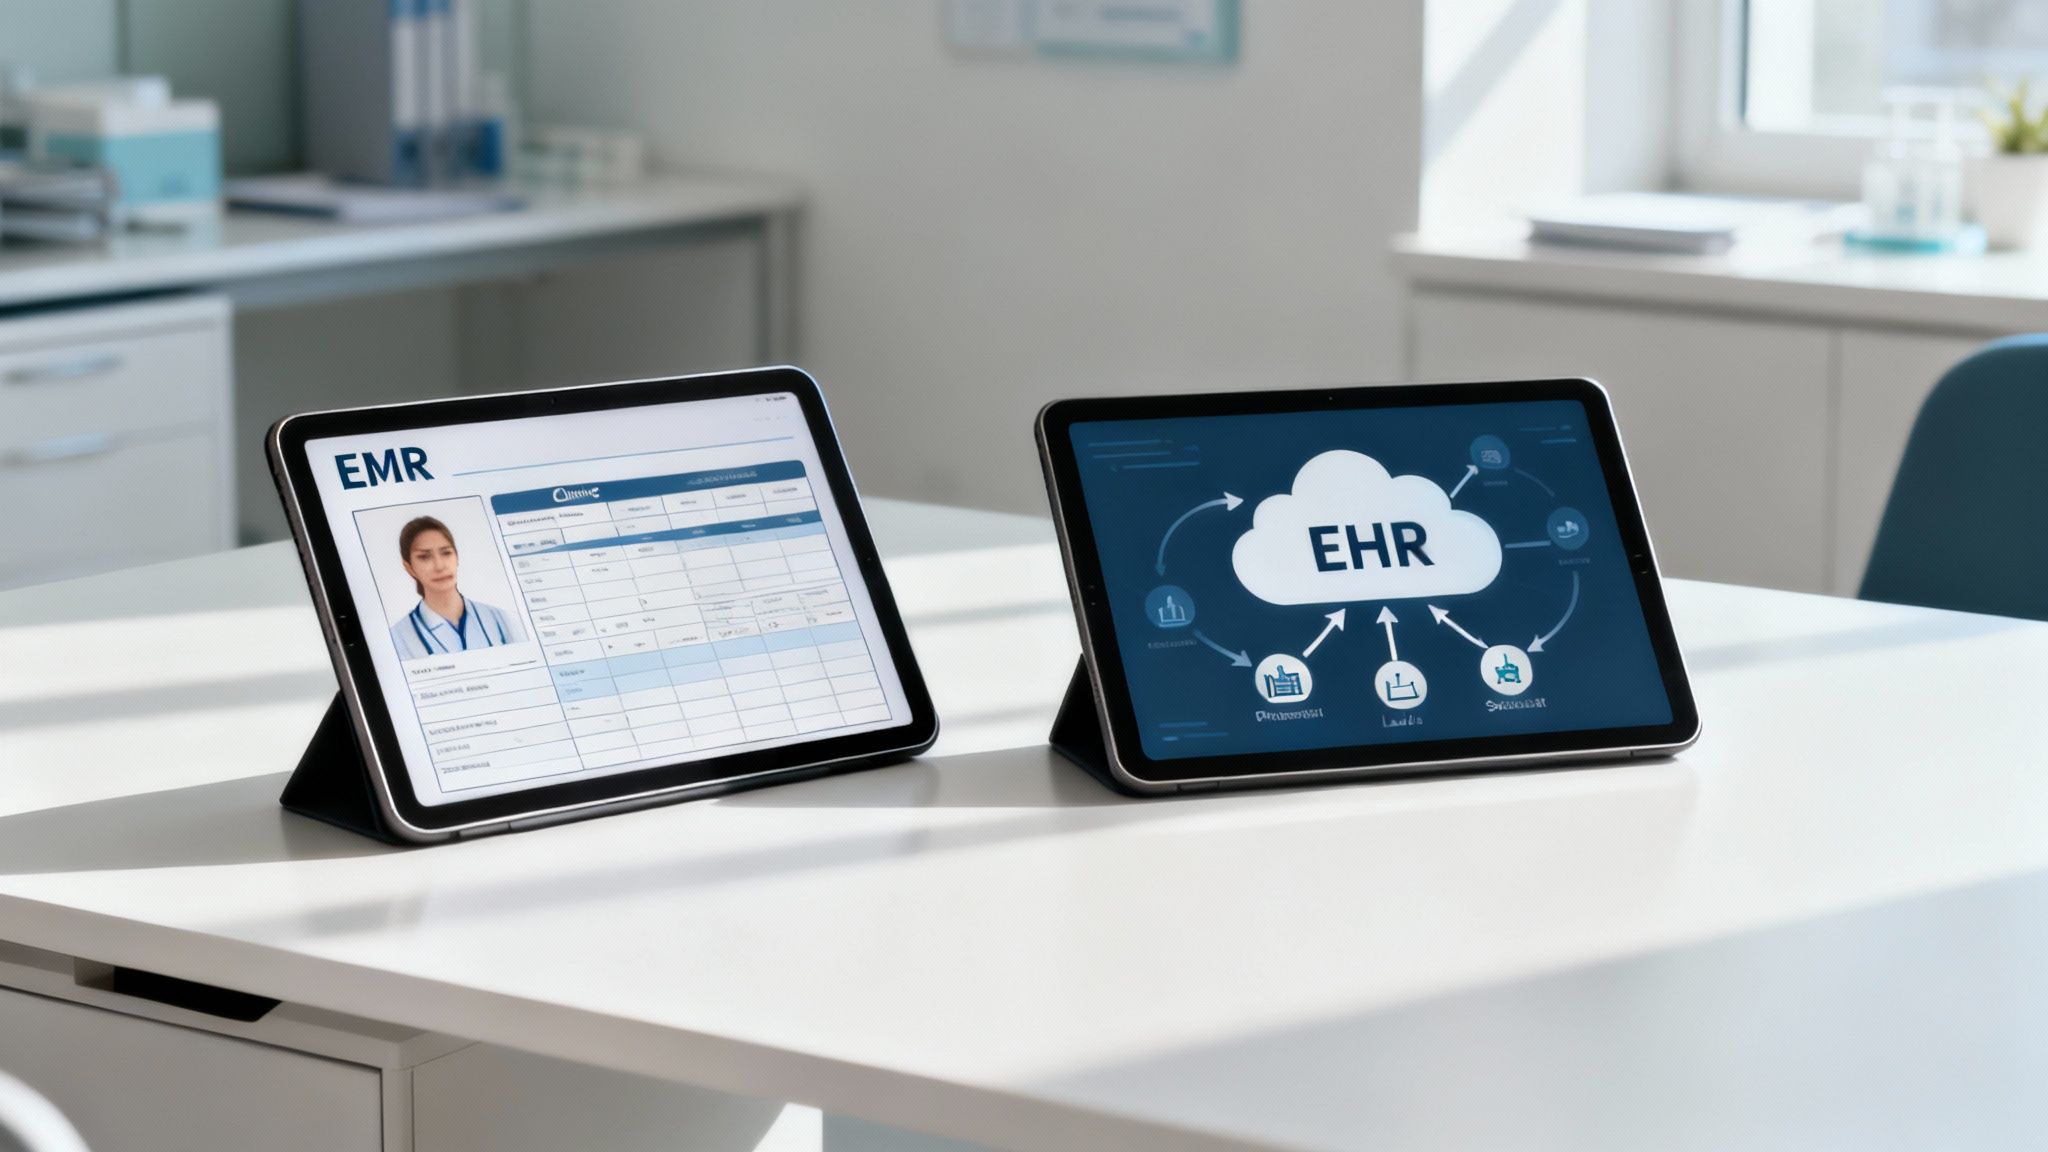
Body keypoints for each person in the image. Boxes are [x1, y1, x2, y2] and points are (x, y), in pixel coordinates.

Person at [388, 516, 526, 657]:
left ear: (457, 557)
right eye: (424, 557)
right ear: (409, 568)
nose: (440, 566)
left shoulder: (503, 620)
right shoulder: (397, 638)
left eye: (446, 553)